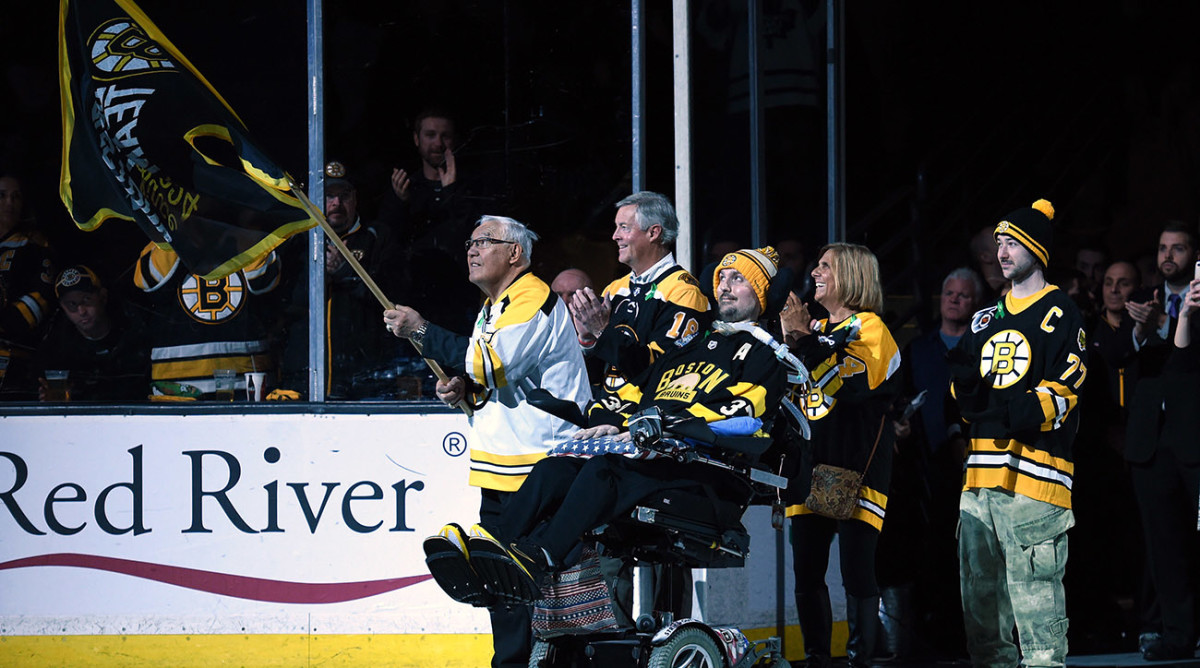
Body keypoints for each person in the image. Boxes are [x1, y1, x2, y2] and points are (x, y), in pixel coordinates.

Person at [423, 246, 787, 606]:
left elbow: (744, 413)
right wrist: (609, 423)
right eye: (721, 277)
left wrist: (665, 422)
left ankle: (540, 557)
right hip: (653, 450)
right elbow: (638, 393)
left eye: (737, 279)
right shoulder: (689, 348)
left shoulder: (765, 355)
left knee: (603, 470)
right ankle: (491, 547)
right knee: (557, 467)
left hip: (700, 464)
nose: (723, 285)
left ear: (761, 292)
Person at [383, 215, 590, 668]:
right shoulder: (494, 304)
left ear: (514, 253)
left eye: (484, 242)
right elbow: (492, 377)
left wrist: (421, 330)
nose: (472, 250)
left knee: (528, 580)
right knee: (501, 580)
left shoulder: (533, 296)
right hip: (503, 467)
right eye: (470, 243)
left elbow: (492, 363)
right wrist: (465, 388)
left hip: (542, 466)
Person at [949, 199, 1086, 668]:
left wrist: (1000, 412)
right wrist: (966, 392)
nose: (1001, 252)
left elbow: (1063, 392)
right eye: (999, 243)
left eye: (1012, 243)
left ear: (1037, 249)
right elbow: (964, 397)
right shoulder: (985, 317)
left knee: (1038, 617)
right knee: (980, 612)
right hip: (980, 480)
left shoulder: (1062, 313)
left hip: (1037, 479)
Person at [781, 243, 901, 668]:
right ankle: (816, 658)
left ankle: (858, 661)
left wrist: (803, 340)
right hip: (809, 464)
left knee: (856, 571)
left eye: (826, 266)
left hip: (858, 465)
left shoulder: (871, 329)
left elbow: (848, 386)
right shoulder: (813, 327)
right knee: (806, 572)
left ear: (851, 277)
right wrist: (792, 341)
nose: (815, 271)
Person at [883, 267, 983, 660]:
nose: (954, 300)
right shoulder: (918, 350)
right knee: (932, 555)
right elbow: (903, 401)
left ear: (976, 304)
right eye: (949, 293)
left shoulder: (981, 350)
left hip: (974, 466)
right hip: (927, 469)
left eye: (963, 295)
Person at [1116, 221, 1199, 661]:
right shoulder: (1142, 302)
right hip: (1151, 441)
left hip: (1195, 437)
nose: (1169, 256)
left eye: (1179, 248)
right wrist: (1141, 330)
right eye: (1164, 248)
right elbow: (1112, 352)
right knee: (1164, 545)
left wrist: (1170, 323)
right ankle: (1177, 634)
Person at [568, 192, 712, 412]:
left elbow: (662, 374)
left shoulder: (684, 292)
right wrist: (587, 340)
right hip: (604, 415)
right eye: (616, 227)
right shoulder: (614, 289)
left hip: (644, 424)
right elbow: (596, 377)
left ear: (654, 233)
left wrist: (602, 331)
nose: (615, 236)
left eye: (624, 227)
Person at [280, 161, 402, 399]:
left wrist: (345, 272)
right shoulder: (299, 242)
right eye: (328, 196)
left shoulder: (376, 238)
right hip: (304, 377)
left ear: (355, 198)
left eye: (343, 196)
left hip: (364, 377)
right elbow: (287, 304)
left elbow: (392, 298)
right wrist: (321, 274)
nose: (336, 203)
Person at [133, 241, 279, 400]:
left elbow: (264, 278)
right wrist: (177, 232)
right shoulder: (166, 236)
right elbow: (147, 279)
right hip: (178, 392)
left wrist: (241, 230)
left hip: (246, 387)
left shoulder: (244, 235)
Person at [381, 108, 481, 334]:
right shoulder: (406, 187)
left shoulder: (468, 188)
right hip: (415, 297)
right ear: (417, 139)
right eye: (430, 135)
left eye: (445, 136)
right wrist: (402, 203)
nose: (438, 143)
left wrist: (451, 194)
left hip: (459, 299)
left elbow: (473, 237)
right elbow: (391, 242)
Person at [34, 265, 149, 401]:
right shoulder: (57, 349)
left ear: (103, 297)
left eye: (87, 300)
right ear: (63, 307)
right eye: (72, 304)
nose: (81, 311)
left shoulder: (134, 333)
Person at [0, 171, 55, 399]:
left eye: (16, 196)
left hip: (14, 356)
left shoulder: (34, 243)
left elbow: (43, 294)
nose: (9, 203)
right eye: (2, 195)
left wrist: (7, 321)